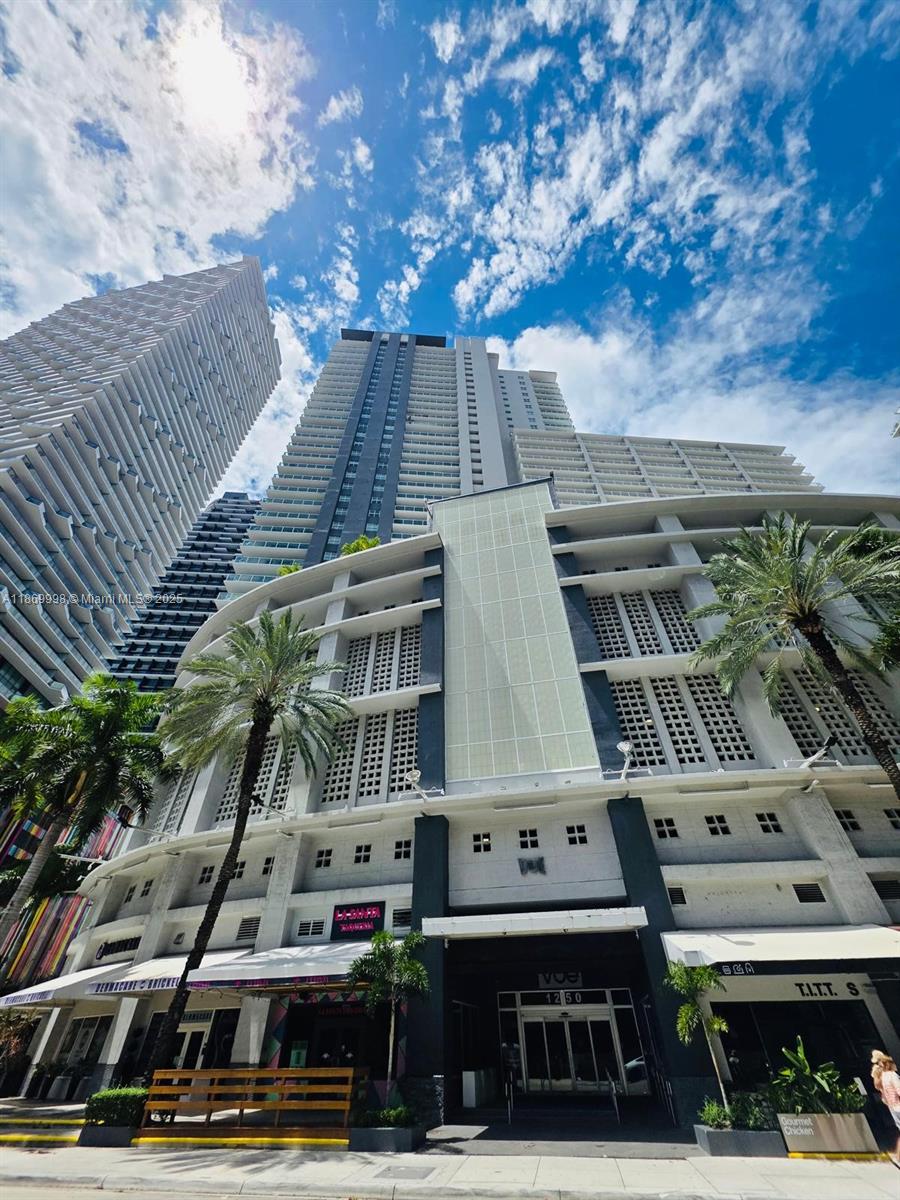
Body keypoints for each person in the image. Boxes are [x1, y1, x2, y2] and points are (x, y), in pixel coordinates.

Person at [876, 1053, 900, 1167]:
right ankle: (898, 1157)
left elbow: (884, 1098)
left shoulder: (882, 1077)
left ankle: (898, 1157)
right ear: (888, 1064)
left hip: (893, 1108)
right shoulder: (891, 1075)